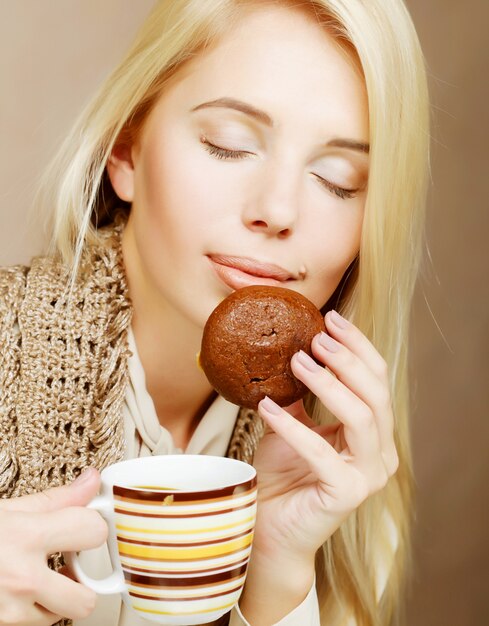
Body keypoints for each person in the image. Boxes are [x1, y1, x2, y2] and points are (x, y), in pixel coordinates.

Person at [0, 0, 430, 625]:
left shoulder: (347, 477)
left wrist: (278, 573)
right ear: (127, 150)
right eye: (227, 146)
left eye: (337, 179)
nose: (278, 209)